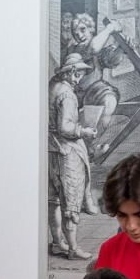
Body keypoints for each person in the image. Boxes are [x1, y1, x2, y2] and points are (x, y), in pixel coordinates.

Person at [49, 53, 100, 260]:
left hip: (50, 150)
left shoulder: (52, 88)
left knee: (53, 201)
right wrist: (84, 131)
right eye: (78, 74)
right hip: (67, 152)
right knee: (70, 202)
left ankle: (57, 243)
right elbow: (65, 127)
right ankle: (72, 248)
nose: (79, 78)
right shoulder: (67, 95)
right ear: (69, 73)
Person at [64, 12, 124, 134]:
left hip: (95, 93)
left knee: (109, 101)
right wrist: (110, 28)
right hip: (76, 96)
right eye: (76, 34)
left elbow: (114, 60)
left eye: (83, 30)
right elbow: (92, 49)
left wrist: (122, 47)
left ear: (91, 28)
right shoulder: (75, 49)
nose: (80, 36)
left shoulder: (98, 49)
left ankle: (96, 139)